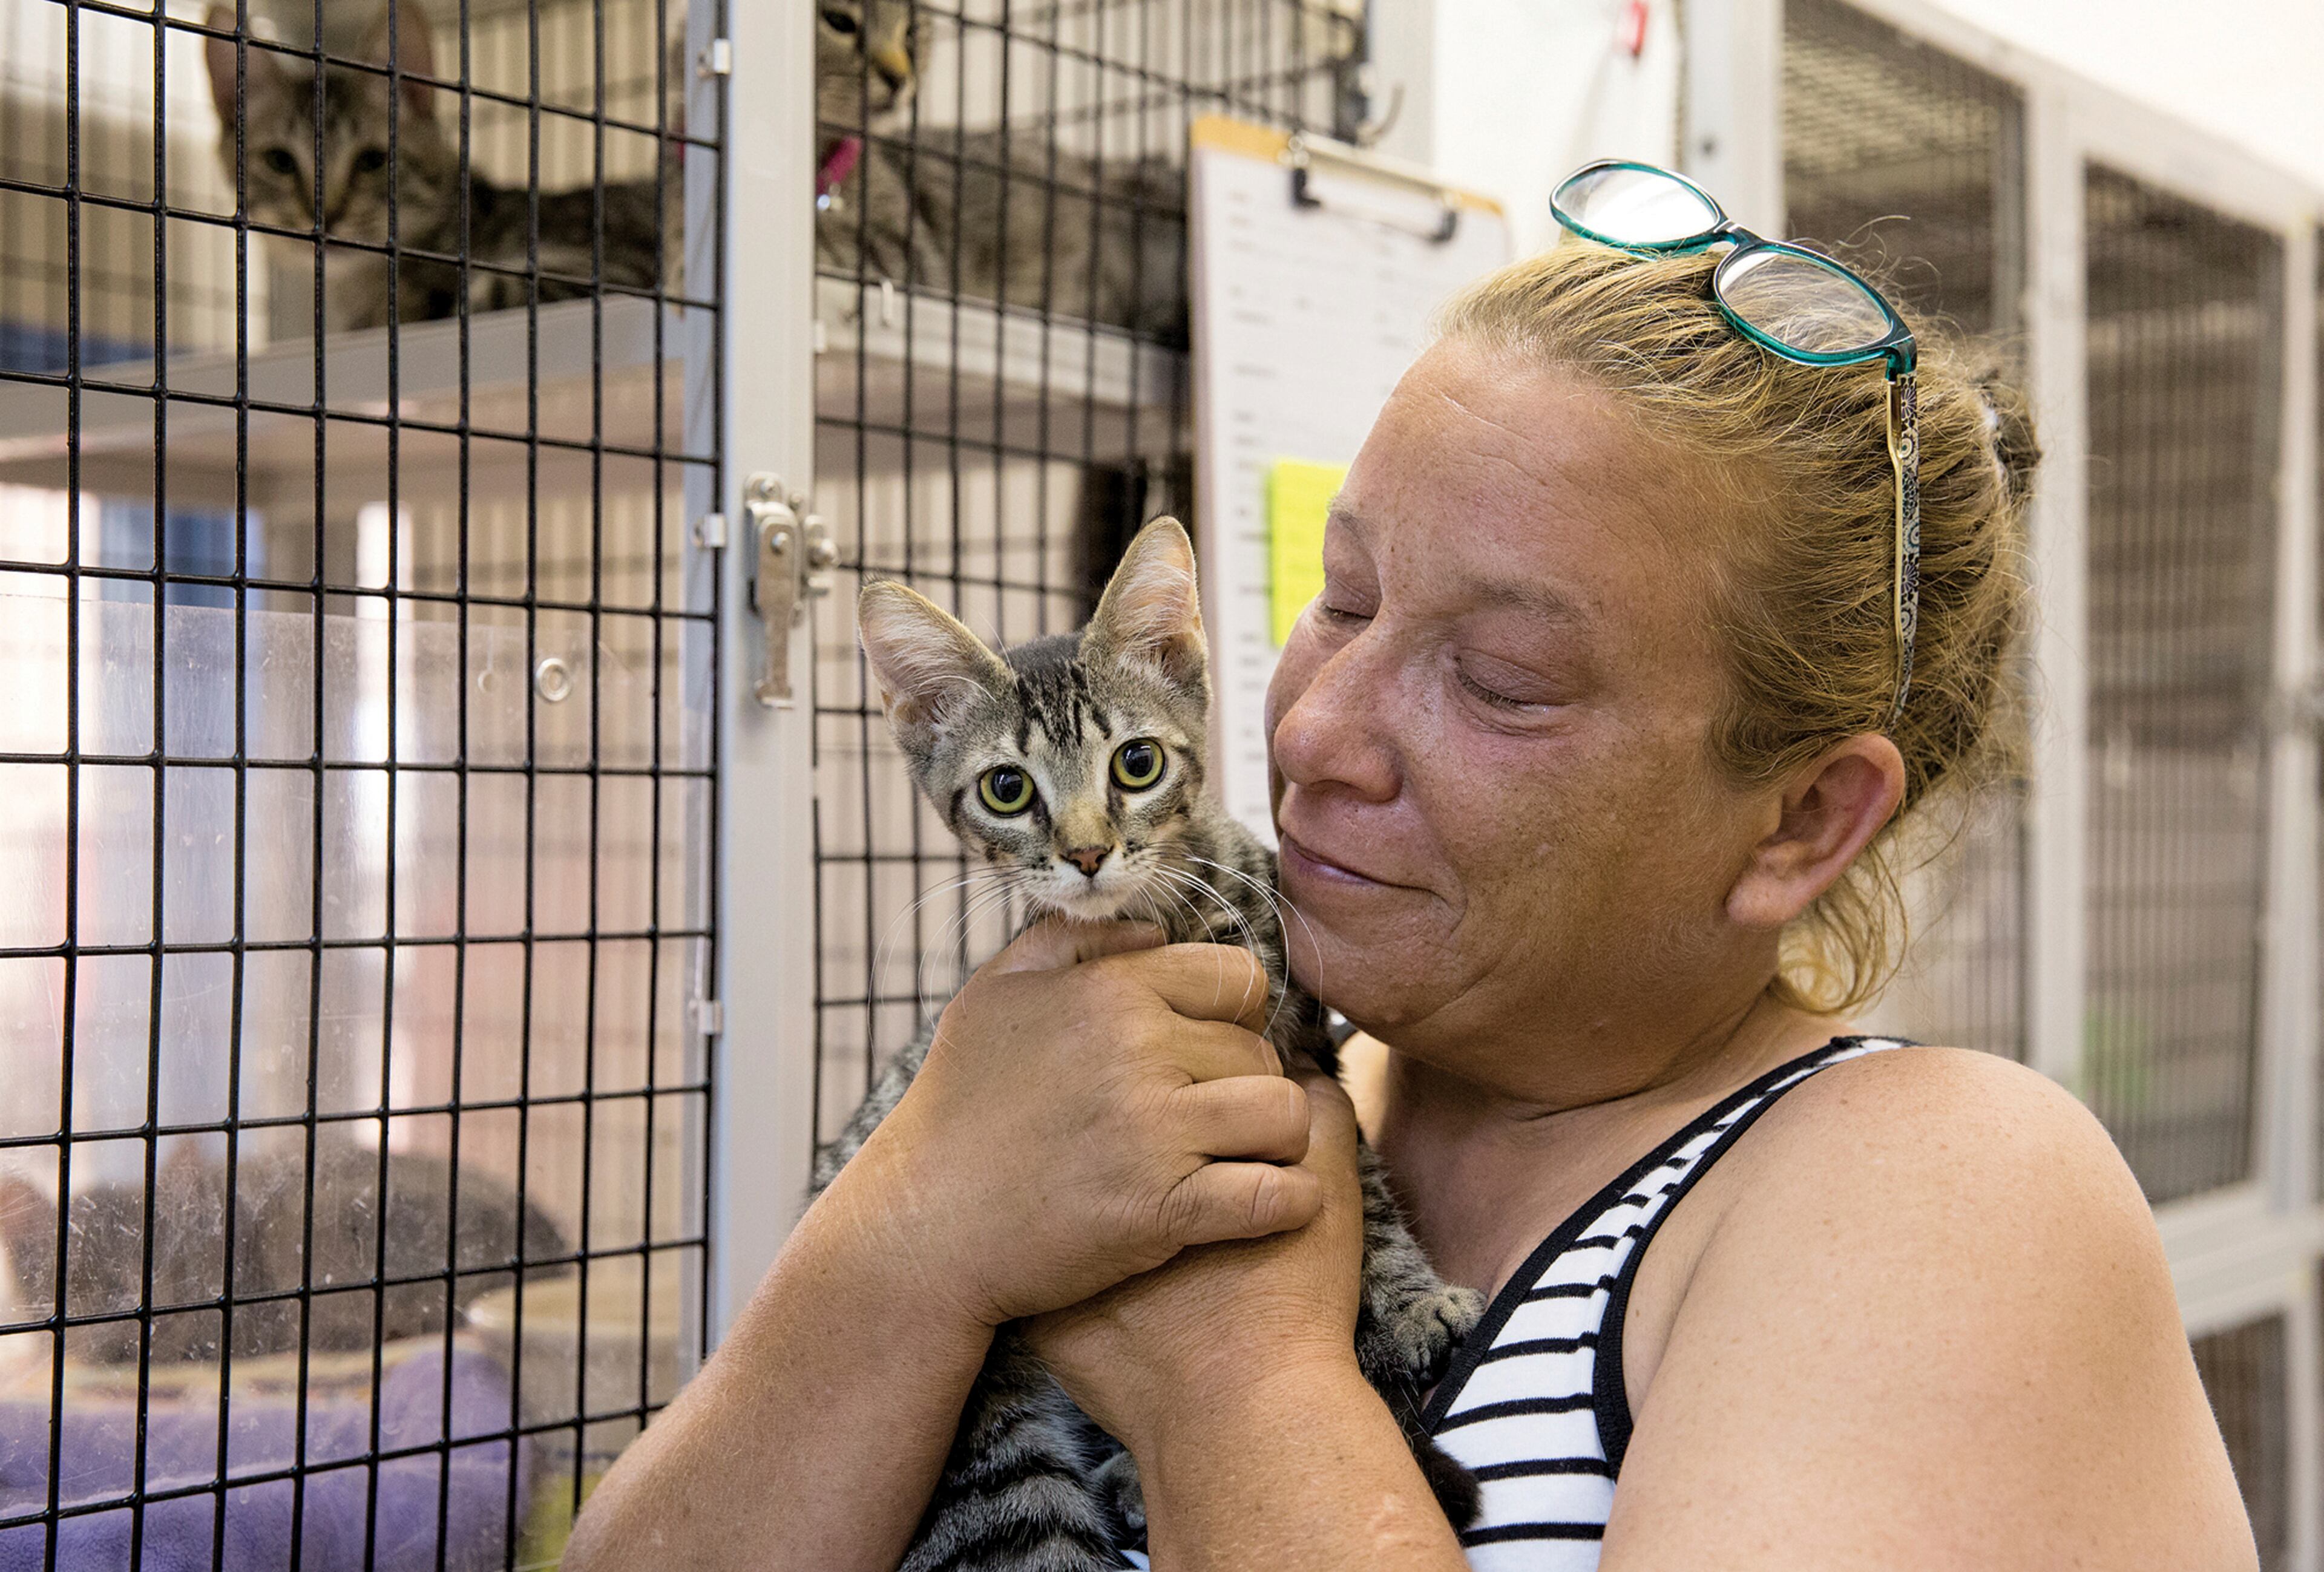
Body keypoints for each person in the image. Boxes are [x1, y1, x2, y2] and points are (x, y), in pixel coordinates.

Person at [563, 172, 2257, 1571]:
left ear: (1806, 822)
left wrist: (1242, 1371)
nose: (1316, 734)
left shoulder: (1942, 1203)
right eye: (1343, 597)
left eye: (1501, 681)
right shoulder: (1216, 1073)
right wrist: (912, 1227)